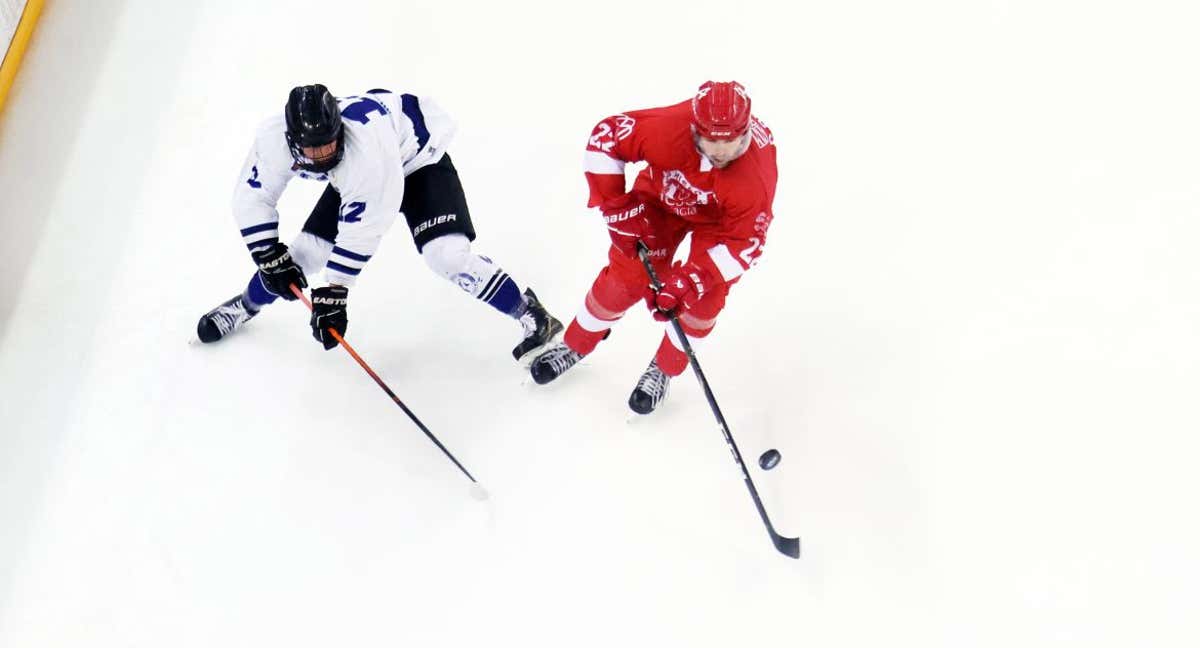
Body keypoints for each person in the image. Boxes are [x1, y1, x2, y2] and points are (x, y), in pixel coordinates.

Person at [196, 84, 562, 362]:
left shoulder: (363, 154)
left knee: (446, 256)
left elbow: (363, 229)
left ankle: (532, 313)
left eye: (329, 145)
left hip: (418, 164)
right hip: (362, 179)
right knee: (301, 257)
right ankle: (244, 305)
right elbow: (252, 197)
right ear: (292, 140)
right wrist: (267, 254)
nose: (323, 155)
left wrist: (335, 293)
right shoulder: (273, 139)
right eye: (313, 150)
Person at [529, 81, 777, 414]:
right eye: (711, 141)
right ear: (695, 130)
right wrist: (617, 208)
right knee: (627, 277)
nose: (721, 151)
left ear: (744, 132)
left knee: (703, 301)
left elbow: (745, 244)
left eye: (731, 141)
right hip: (662, 200)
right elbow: (606, 138)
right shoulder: (667, 130)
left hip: (721, 226)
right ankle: (576, 344)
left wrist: (693, 279)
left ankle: (664, 368)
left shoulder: (754, 177)